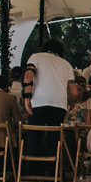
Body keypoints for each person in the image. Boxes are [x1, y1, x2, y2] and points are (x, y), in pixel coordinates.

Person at [23, 39, 75, 168]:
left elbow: (29, 75)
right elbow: (74, 92)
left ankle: (33, 175)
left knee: (34, 137)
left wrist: (26, 98)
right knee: (54, 139)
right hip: (60, 104)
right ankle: (53, 174)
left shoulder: (36, 57)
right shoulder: (66, 64)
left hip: (39, 101)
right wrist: (70, 103)